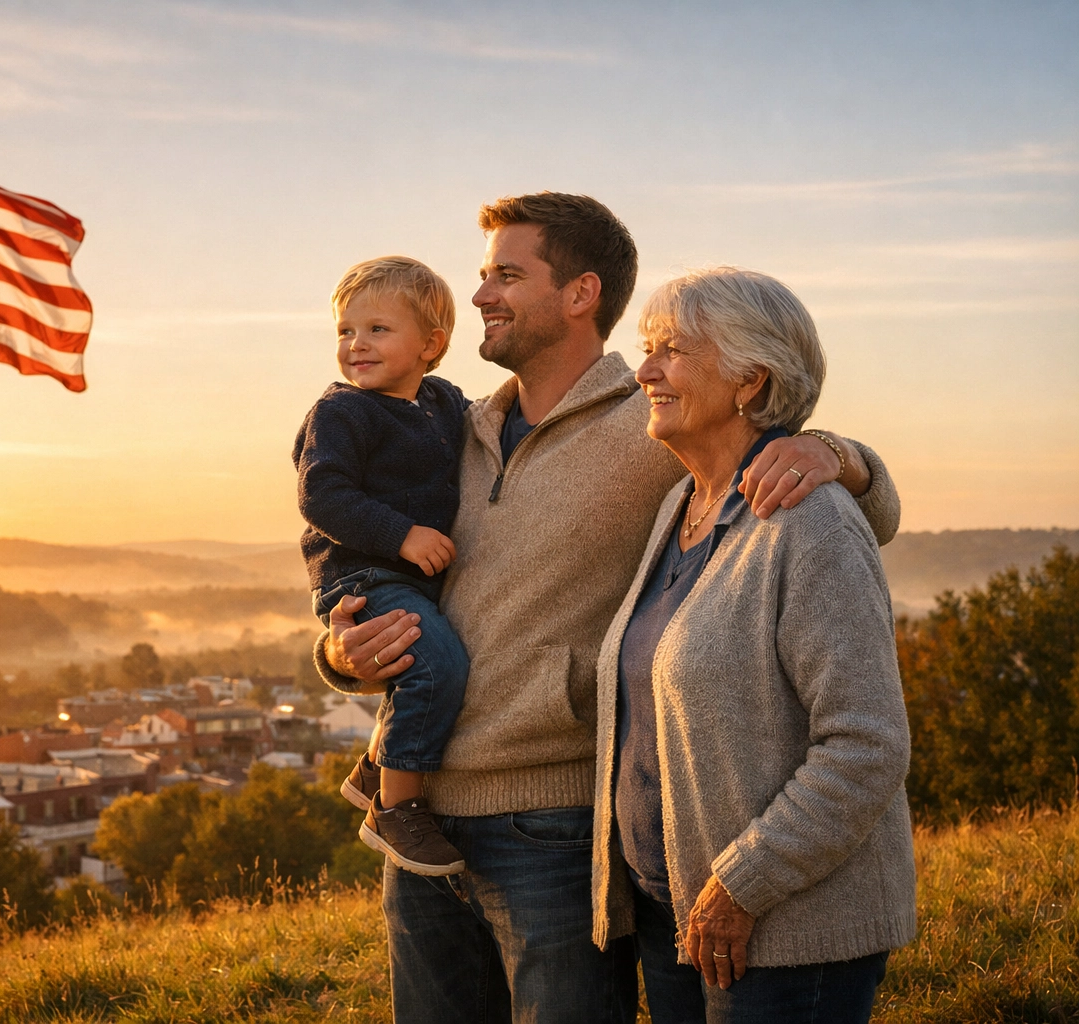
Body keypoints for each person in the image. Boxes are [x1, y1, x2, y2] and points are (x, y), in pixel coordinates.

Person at [315, 193, 902, 1024]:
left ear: (581, 293)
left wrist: (839, 455)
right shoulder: (453, 427)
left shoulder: (653, 419)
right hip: (414, 818)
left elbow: (847, 512)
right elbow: (374, 566)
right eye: (484, 274)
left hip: (552, 829)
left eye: (507, 275)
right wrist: (341, 656)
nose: (480, 294)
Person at [589, 267, 915, 1023]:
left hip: (781, 934)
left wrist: (741, 884)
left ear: (750, 379)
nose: (645, 371)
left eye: (671, 350)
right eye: (648, 348)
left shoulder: (811, 521)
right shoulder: (680, 504)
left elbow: (865, 745)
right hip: (677, 921)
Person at [294, 256, 472, 875]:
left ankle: (375, 768)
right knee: (436, 662)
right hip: (364, 574)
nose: (356, 345)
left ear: (432, 344)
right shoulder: (342, 412)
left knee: (423, 664)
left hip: (407, 575)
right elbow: (322, 496)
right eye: (346, 331)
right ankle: (395, 810)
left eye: (377, 329)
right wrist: (401, 536)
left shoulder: (444, 402)